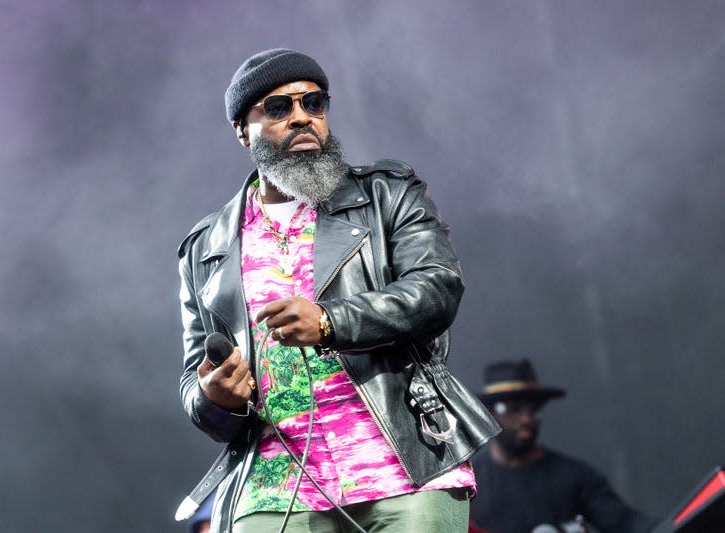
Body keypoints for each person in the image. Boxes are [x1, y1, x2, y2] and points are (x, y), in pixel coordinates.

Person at [174, 48, 499, 533]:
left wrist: (330, 322)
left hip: (401, 468)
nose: (302, 117)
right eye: (279, 107)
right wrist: (213, 395)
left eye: (314, 103)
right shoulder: (206, 248)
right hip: (273, 485)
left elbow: (437, 287)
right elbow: (194, 380)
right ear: (243, 129)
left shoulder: (387, 195)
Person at [469, 359, 657, 533]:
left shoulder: (574, 476)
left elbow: (625, 522)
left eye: (532, 410)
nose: (526, 419)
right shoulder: (466, 482)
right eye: (514, 409)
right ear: (490, 415)